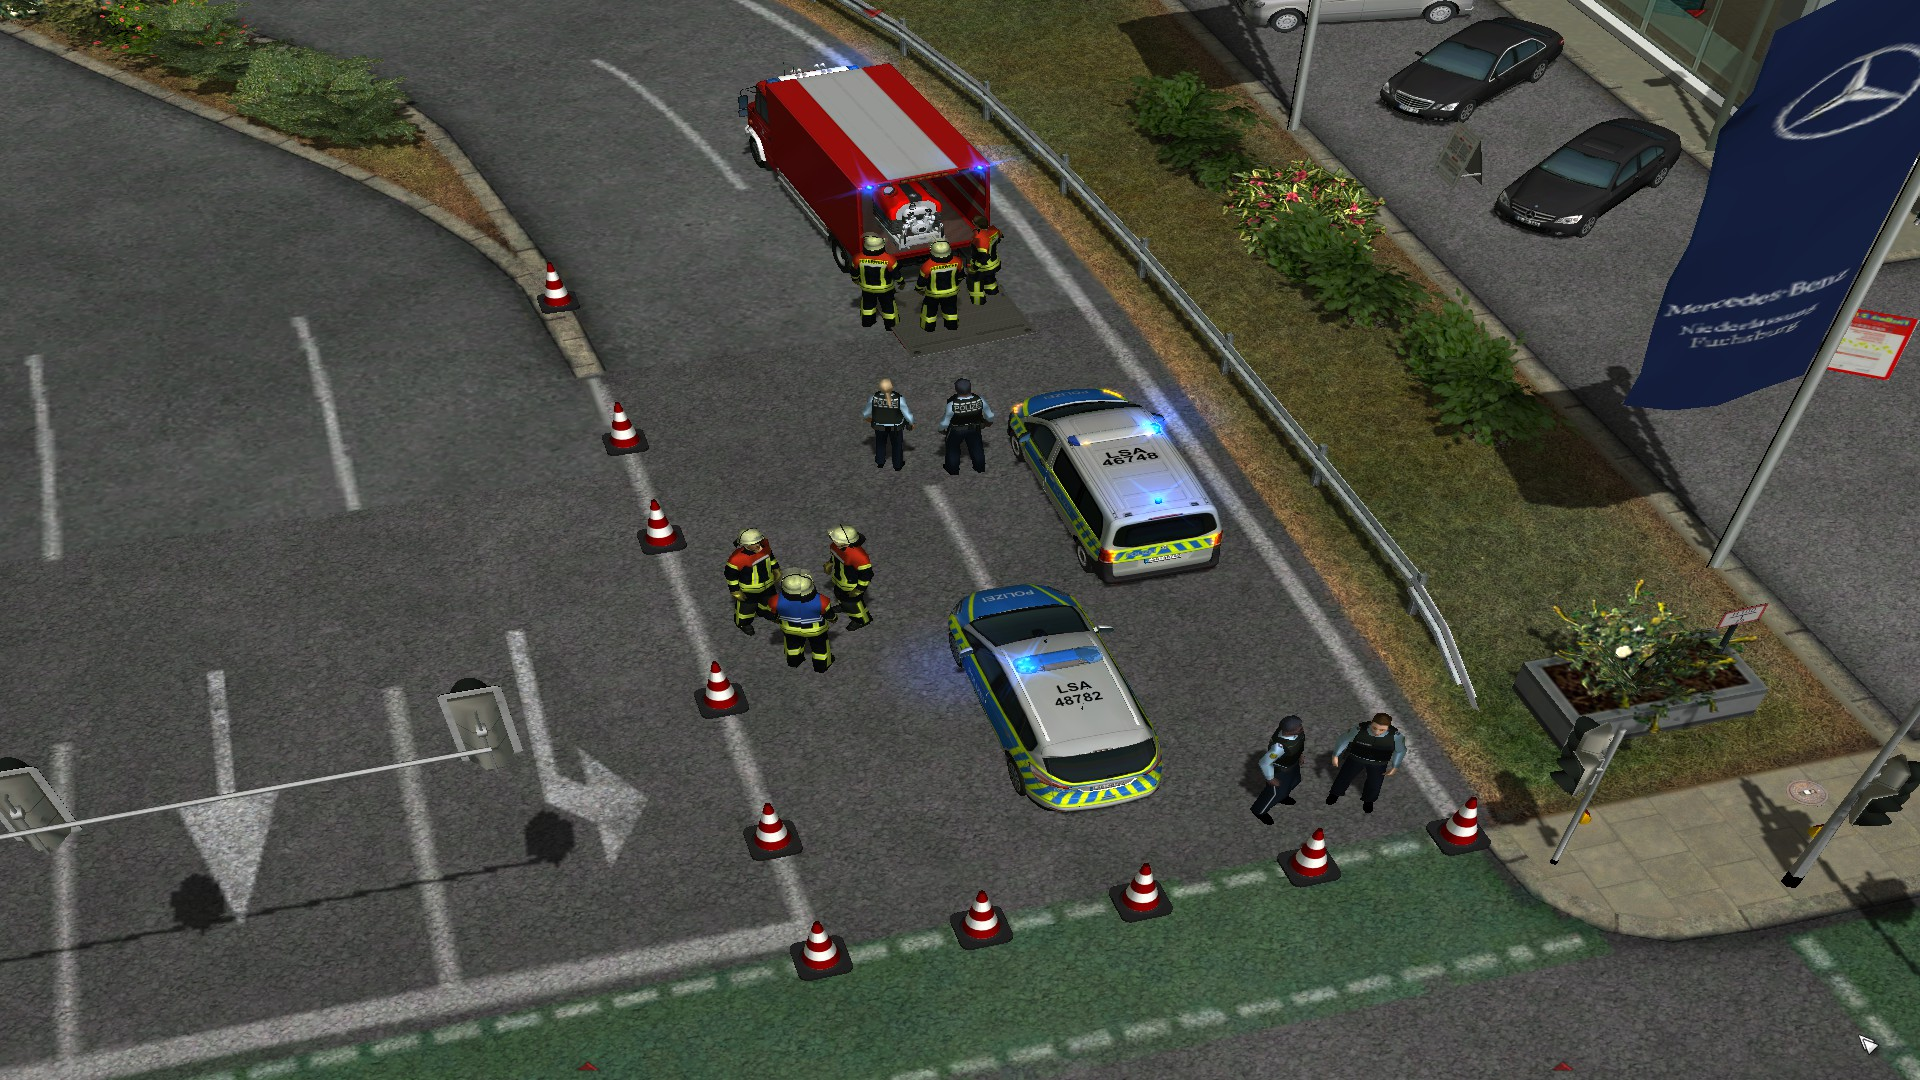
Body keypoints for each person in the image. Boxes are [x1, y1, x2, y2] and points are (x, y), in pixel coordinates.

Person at [1326, 712, 1407, 814]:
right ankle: (1334, 794)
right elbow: (1343, 739)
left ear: (1388, 727)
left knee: (1375, 784)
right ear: (1371, 723)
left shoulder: (1395, 736)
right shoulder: (1359, 729)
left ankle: (1369, 801)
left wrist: (1395, 766)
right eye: (1374, 728)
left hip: (1378, 763)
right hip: (1356, 758)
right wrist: (1335, 755)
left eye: (1382, 730)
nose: (1377, 732)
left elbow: (1400, 750)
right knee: (1344, 777)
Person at [770, 571, 836, 672]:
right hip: (816, 631)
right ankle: (821, 667)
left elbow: (773, 615)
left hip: (790, 630)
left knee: (792, 648)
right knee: (820, 650)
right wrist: (834, 619)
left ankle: (794, 662)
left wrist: (777, 620)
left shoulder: (775, 600)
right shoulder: (822, 600)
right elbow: (830, 615)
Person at [723, 529, 780, 636]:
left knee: (770, 602)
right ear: (745, 545)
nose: (758, 545)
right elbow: (731, 576)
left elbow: (771, 559)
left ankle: (766, 613)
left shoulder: (765, 548)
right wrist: (735, 590)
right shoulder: (737, 559)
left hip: (768, 585)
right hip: (749, 590)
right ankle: (743, 624)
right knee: (746, 610)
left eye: (758, 542)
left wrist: (776, 569)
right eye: (754, 544)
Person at [1251, 715, 1306, 825]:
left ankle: (1283, 797)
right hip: (1281, 772)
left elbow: (1298, 746)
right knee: (1274, 793)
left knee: (1296, 781)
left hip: (1292, 765)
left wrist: (1299, 755)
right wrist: (1270, 778)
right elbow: (1264, 762)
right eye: (1298, 727)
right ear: (1289, 731)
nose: (1301, 728)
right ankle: (1259, 811)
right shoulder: (1279, 747)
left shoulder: (1297, 734)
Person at [939, 377, 994, 475]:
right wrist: (987, 423)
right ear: (970, 388)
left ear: (956, 390)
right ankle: (980, 468)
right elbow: (990, 416)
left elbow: (945, 422)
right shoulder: (980, 400)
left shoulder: (952, 404)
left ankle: (953, 470)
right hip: (974, 428)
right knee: (977, 448)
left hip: (956, 430)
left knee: (953, 449)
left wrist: (942, 430)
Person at [824, 525, 874, 630]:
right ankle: (843, 606)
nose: (832, 539)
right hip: (838, 580)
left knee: (853, 604)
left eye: (835, 539)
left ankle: (862, 620)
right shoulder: (835, 546)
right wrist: (829, 563)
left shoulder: (859, 556)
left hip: (850, 585)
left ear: (845, 542)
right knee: (839, 595)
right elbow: (835, 556)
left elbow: (866, 574)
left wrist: (859, 589)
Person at [862, 378, 914, 471]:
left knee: (880, 444)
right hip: (896, 427)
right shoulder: (898, 398)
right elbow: (906, 413)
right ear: (891, 387)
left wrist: (868, 418)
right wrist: (911, 422)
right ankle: (897, 465)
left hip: (879, 426)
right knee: (897, 445)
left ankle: (880, 462)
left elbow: (866, 413)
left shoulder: (874, 397)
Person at [852, 233, 900, 330]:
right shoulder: (889, 259)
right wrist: (901, 282)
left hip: (867, 289)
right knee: (888, 307)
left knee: (867, 307)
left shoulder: (858, 258)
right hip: (885, 289)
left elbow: (854, 273)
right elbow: (896, 275)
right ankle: (890, 325)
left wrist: (855, 279)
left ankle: (867, 323)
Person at [917, 239, 965, 332]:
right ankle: (952, 327)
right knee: (951, 311)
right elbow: (960, 276)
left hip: (933, 295)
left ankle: (928, 328)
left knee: (929, 312)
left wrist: (919, 289)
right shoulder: (958, 261)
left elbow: (921, 282)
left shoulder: (927, 266)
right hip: (951, 292)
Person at [967, 216, 1002, 305]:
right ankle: (992, 292)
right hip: (995, 263)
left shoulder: (979, 238)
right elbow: (1000, 237)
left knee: (974, 282)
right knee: (990, 279)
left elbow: (983, 257)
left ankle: (978, 301)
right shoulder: (994, 230)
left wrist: (974, 268)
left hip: (984, 267)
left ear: (976, 225)